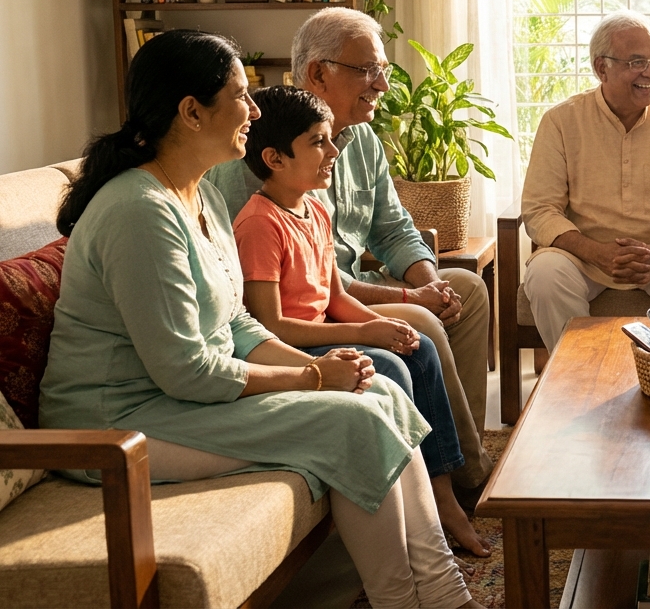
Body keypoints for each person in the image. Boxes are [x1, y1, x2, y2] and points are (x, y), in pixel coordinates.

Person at [38, 30, 481, 608]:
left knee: (385, 398)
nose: (254, 109)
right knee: (353, 425)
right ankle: (405, 601)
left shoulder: (200, 196)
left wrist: (321, 367)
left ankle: (445, 594)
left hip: (176, 398)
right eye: (241, 96)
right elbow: (187, 371)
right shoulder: (137, 212)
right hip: (117, 421)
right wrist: (312, 378)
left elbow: (240, 324)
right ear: (191, 112)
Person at [207, 8, 496, 512]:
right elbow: (295, 278)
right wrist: (411, 298)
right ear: (318, 73)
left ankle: (454, 446)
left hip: (350, 285)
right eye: (368, 70)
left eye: (381, 70)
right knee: (422, 320)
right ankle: (470, 475)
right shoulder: (260, 152)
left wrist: (430, 281)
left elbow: (392, 228)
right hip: (308, 305)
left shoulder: (361, 139)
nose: (382, 84)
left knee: (465, 291)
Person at [233, 85, 490, 556]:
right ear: (274, 158)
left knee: (417, 346)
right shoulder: (259, 225)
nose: (334, 151)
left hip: (327, 329)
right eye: (318, 142)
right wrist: (364, 332)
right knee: (388, 368)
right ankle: (411, 507)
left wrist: (382, 325)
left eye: (330, 139)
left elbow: (333, 293)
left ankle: (445, 494)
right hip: (295, 349)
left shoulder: (313, 209)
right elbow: (271, 325)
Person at [521, 11, 650, 353]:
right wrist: (595, 253)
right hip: (584, 258)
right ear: (602, 68)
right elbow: (540, 209)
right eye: (637, 62)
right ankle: (579, 376)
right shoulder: (561, 121)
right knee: (545, 273)